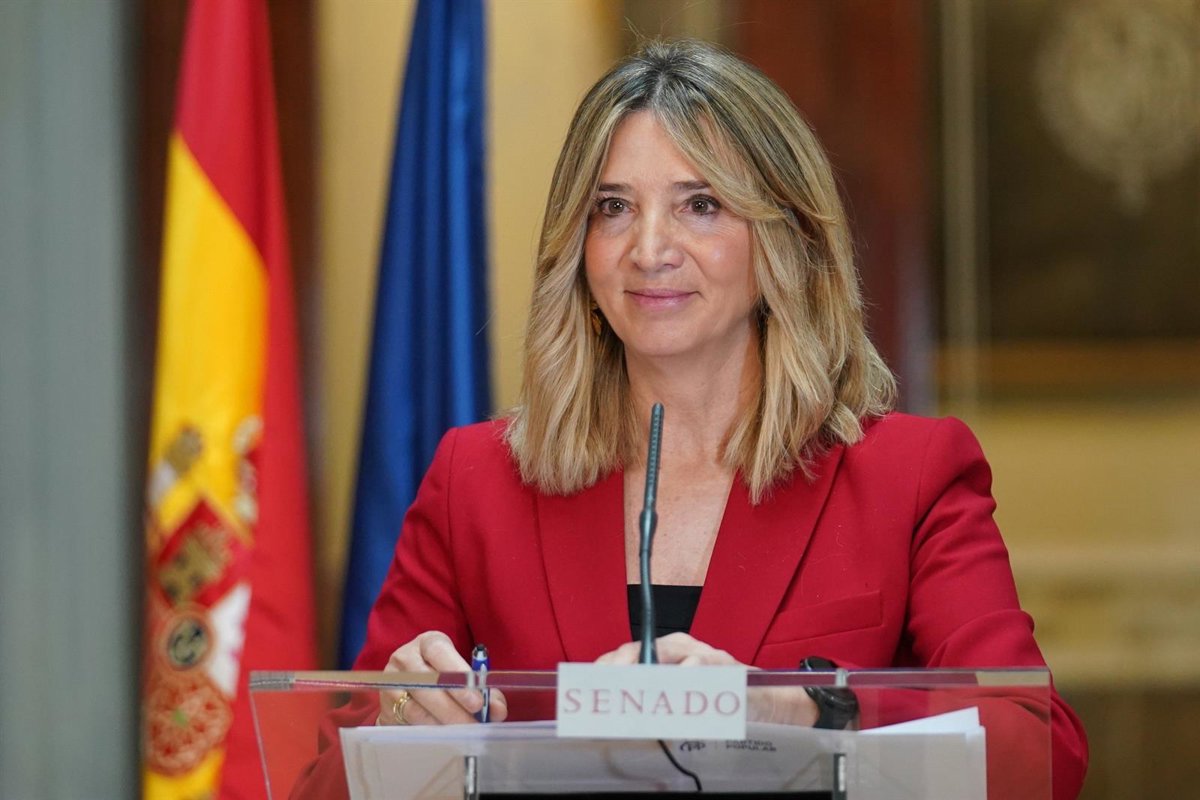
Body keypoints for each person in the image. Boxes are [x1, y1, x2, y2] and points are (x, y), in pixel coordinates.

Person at [305, 39, 1088, 798]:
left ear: (784, 239)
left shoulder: (908, 476)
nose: (649, 249)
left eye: (700, 205)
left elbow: (1038, 752)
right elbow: (322, 785)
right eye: (614, 208)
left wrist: (804, 709)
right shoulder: (474, 482)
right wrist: (401, 725)